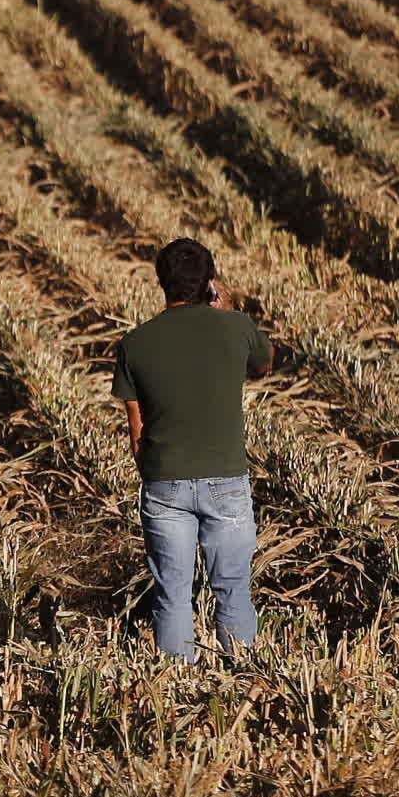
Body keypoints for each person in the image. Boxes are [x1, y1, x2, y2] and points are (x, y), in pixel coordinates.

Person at [113, 237, 273, 660]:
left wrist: (155, 473)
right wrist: (227, 310)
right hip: (226, 480)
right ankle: (244, 681)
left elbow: (137, 429)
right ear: (210, 283)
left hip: (164, 481)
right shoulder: (236, 326)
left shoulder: (134, 344)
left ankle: (176, 689)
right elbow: (264, 364)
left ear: (161, 283)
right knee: (233, 588)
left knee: (172, 593)